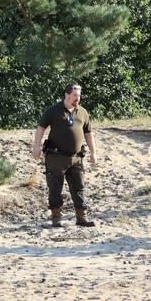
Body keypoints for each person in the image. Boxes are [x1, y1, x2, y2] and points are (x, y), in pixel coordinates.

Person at [32, 83, 99, 228]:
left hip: (76, 157)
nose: (78, 98)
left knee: (78, 187)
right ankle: (56, 218)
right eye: (75, 95)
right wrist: (36, 147)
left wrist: (93, 152)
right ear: (66, 95)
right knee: (55, 188)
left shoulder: (82, 112)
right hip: (56, 157)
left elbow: (88, 133)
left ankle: (82, 218)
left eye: (79, 95)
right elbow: (40, 128)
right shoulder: (54, 110)